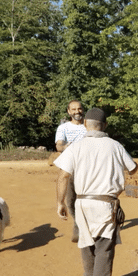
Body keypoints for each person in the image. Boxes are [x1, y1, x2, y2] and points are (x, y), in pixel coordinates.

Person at [55, 108, 137, 276]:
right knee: (104, 248)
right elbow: (133, 168)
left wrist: (60, 203)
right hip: (106, 204)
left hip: (81, 202)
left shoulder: (75, 147)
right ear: (105, 125)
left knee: (86, 240)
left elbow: (63, 176)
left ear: (85, 124)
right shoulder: (115, 145)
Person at [55, 100, 88, 242]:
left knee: (87, 198)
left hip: (88, 167)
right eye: (73, 109)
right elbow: (59, 145)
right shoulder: (63, 128)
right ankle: (77, 223)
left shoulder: (88, 126)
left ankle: (84, 225)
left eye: (79, 109)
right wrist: (66, 147)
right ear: (68, 112)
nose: (77, 112)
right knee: (71, 200)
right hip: (70, 167)